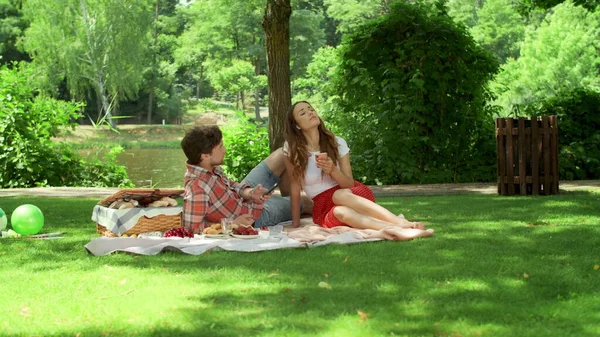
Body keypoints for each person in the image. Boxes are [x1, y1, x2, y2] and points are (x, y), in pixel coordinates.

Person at [283, 101, 434, 240]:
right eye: (303, 113)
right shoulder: (292, 150)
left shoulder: (337, 143)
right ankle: (398, 230)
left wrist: (333, 170)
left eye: (311, 109)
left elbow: (348, 184)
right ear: (296, 125)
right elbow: (295, 187)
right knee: (340, 212)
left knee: (339, 194)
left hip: (352, 195)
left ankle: (403, 223)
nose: (310, 112)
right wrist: (295, 224)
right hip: (324, 207)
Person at [181, 125, 311, 234]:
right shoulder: (197, 188)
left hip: (242, 199)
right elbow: (192, 228)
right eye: (220, 147)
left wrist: (250, 192)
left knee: (283, 153)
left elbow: (231, 185)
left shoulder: (210, 167)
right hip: (253, 216)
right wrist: (232, 224)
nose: (225, 150)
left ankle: (289, 204)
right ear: (205, 156)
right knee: (304, 201)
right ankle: (293, 206)